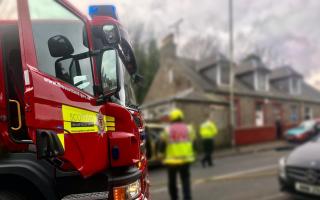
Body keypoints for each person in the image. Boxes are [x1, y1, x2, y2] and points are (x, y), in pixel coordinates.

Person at [160, 108, 195, 200]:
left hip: (172, 161)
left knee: (172, 182)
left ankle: (174, 198)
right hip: (185, 159)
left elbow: (162, 143)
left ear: (172, 118)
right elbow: (193, 142)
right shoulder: (189, 128)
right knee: (185, 180)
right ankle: (187, 197)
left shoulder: (168, 129)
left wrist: (160, 154)